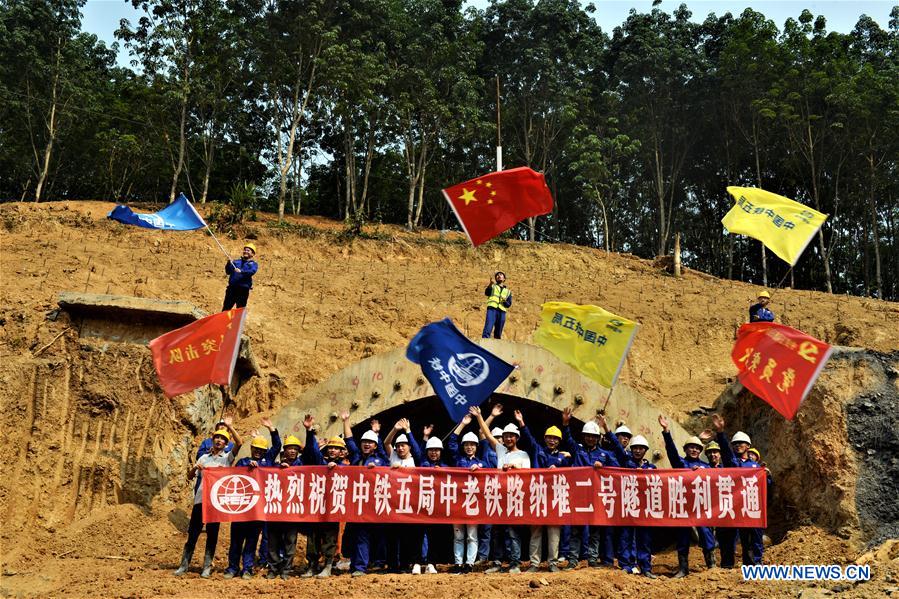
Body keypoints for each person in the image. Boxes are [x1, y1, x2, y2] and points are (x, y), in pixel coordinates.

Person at [174, 420, 242, 578]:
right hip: (200, 500)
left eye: (223, 439)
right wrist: (194, 468)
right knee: (193, 534)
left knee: (212, 535)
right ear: (213, 440)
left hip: (216, 503)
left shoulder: (227, 459)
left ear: (226, 444)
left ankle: (207, 567)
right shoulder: (204, 458)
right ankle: (184, 565)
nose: (219, 440)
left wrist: (230, 426)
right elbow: (190, 477)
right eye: (217, 438)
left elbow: (239, 442)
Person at [707, 414, 771, 567]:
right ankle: (727, 565)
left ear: (748, 446)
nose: (737, 446)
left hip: (750, 507)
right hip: (732, 507)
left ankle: (754, 564)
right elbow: (727, 453)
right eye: (735, 444)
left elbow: (766, 486)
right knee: (728, 538)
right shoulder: (731, 463)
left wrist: (767, 477)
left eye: (741, 443)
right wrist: (721, 433)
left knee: (752, 538)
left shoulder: (756, 467)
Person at [473, 405, 530, 574]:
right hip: (498, 497)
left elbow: (529, 474)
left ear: (517, 438)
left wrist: (514, 467)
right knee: (497, 532)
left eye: (512, 436)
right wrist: (479, 416)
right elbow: (487, 434)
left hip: (515, 498)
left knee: (512, 532)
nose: (508, 438)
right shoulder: (500, 450)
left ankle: (515, 563)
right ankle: (497, 562)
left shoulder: (523, 455)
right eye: (506, 436)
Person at [598, 416, 657, 578]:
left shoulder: (651, 467)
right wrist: (607, 430)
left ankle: (645, 567)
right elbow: (617, 447)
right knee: (626, 536)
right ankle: (626, 564)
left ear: (645, 450)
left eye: (640, 448)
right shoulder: (626, 461)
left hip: (644, 507)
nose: (637, 450)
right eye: (635, 448)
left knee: (644, 538)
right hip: (629, 504)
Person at [659, 414, 717, 578]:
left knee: (706, 534)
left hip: (701, 506)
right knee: (683, 536)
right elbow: (671, 451)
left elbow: (719, 478)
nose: (694, 449)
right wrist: (666, 431)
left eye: (697, 448)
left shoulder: (706, 466)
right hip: (683, 505)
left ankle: (711, 564)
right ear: (685, 450)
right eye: (690, 447)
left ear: (700, 451)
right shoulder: (680, 464)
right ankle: (683, 568)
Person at [562, 407, 619, 570]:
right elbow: (568, 440)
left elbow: (616, 469)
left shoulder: (604, 454)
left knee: (595, 529)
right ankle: (573, 560)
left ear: (598, 438)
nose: (590, 439)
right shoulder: (577, 450)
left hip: (596, 497)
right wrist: (566, 424)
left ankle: (592, 559)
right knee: (576, 530)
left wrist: (604, 466)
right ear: (584, 436)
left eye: (593, 436)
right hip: (579, 496)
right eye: (587, 436)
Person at [514, 410, 571, 573]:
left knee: (554, 533)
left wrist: (562, 463)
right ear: (545, 438)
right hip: (538, 497)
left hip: (554, 499)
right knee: (536, 532)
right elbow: (530, 439)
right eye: (549, 438)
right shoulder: (538, 451)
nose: (552, 441)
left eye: (555, 439)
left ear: (559, 441)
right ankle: (534, 563)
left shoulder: (564, 458)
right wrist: (521, 423)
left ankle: (552, 563)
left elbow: (571, 474)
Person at [225, 418, 281, 579]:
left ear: (264, 451)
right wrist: (247, 467)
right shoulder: (242, 462)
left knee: (251, 541)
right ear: (251, 448)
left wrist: (272, 429)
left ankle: (247, 569)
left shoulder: (268, 461)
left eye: (261, 449)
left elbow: (277, 446)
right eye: (255, 448)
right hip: (241, 509)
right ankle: (232, 568)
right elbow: (234, 477)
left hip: (258, 510)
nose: (258, 451)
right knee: (236, 541)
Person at [266, 415, 313, 579]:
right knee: (272, 542)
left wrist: (309, 431)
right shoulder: (275, 466)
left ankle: (286, 570)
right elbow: (271, 454)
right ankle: (273, 569)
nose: (292, 450)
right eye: (289, 448)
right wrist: (280, 469)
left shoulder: (302, 465)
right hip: (276, 510)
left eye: (295, 448)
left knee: (290, 542)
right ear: (284, 450)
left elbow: (311, 451)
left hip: (293, 511)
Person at [302, 425, 348, 579]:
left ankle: (327, 565)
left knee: (330, 538)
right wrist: (310, 432)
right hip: (317, 507)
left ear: (341, 452)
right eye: (330, 448)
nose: (332, 450)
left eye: (336, 448)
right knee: (313, 538)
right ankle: (312, 565)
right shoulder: (320, 463)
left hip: (332, 508)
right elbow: (312, 450)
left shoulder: (346, 467)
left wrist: (338, 469)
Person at [344, 419, 389, 578]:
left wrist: (377, 433)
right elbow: (349, 441)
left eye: (370, 442)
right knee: (358, 534)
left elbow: (386, 465)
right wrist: (346, 421)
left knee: (378, 536)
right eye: (364, 442)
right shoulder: (357, 457)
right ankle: (358, 566)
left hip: (375, 504)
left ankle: (374, 562)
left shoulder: (381, 458)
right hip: (357, 503)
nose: (367, 444)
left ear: (375, 445)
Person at [446, 414, 489, 574]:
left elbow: (486, 446)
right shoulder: (458, 460)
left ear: (476, 447)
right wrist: (462, 424)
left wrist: (479, 467)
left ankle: (469, 563)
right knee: (458, 535)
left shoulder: (482, 462)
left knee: (472, 535)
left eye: (472, 444)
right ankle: (458, 563)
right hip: (458, 502)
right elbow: (451, 442)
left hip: (473, 503)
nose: (469, 447)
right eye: (466, 445)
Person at [383, 419, 423, 574]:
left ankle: (406, 564)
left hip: (409, 504)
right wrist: (394, 429)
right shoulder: (392, 457)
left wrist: (408, 431)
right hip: (393, 503)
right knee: (391, 536)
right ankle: (392, 565)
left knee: (407, 536)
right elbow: (386, 442)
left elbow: (419, 452)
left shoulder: (415, 460)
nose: (400, 448)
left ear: (409, 447)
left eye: (403, 446)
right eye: (398, 446)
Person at [222, 243, 259, 311]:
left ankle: (237, 322)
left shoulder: (253, 264)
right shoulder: (236, 262)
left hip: (243, 291)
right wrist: (228, 263)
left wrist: (241, 271)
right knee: (226, 309)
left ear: (253, 254)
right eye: (245, 250)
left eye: (248, 250)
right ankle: (222, 321)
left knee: (239, 311)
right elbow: (228, 272)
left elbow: (252, 272)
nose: (245, 251)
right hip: (231, 290)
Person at [482, 271, 512, 339]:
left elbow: (509, 304)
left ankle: (497, 343)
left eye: (501, 275)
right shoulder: (492, 286)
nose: (499, 276)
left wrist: (504, 302)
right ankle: (485, 340)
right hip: (492, 309)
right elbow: (487, 293)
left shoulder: (508, 292)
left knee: (499, 330)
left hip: (502, 312)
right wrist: (490, 284)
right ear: (496, 279)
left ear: (504, 279)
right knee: (488, 326)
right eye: (497, 275)